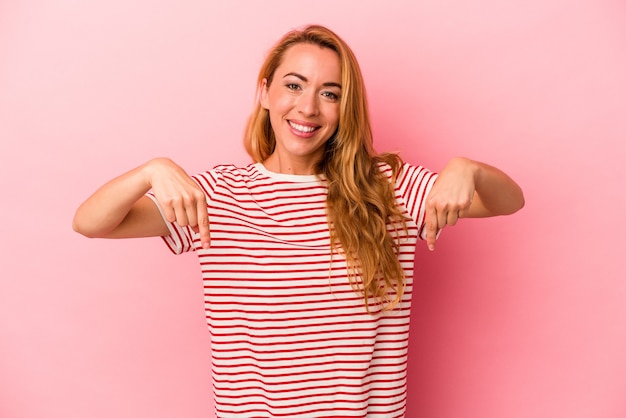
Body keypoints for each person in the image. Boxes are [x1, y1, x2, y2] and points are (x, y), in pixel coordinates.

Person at [73, 24, 524, 418]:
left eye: (330, 93)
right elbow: (92, 222)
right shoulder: (215, 195)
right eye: (294, 85)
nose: (308, 107)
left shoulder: (386, 187)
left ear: (344, 109)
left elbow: (508, 202)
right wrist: (152, 169)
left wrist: (469, 169)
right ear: (266, 91)